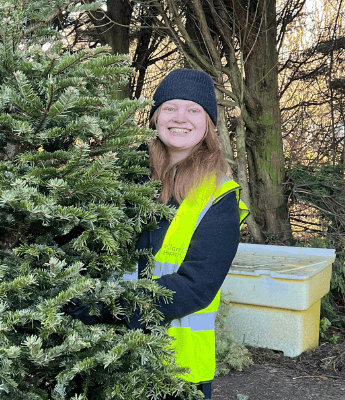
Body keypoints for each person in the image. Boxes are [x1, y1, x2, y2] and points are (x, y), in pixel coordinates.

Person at [67, 68, 249, 399]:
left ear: (207, 123)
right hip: (102, 354)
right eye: (170, 107)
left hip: (174, 368)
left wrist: (107, 306)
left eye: (194, 109)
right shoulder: (119, 174)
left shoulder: (219, 195)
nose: (181, 117)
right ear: (154, 117)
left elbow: (197, 286)